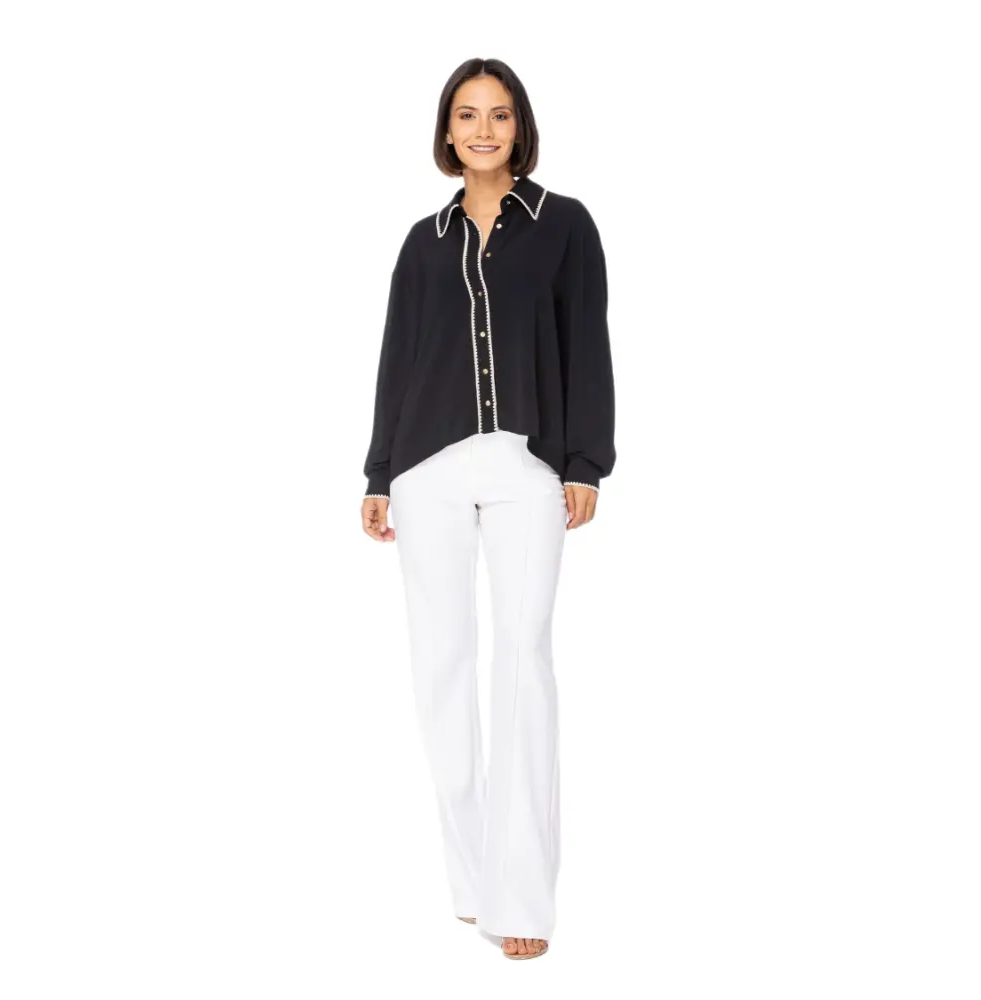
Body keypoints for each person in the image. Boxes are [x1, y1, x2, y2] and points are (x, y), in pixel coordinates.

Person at [359, 57, 616, 961]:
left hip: (527, 464)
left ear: (520, 127)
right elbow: (397, 356)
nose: (482, 130)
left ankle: (523, 897)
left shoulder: (565, 225)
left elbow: (587, 342)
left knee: (524, 663)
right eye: (466, 115)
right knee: (441, 668)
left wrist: (586, 463)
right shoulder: (422, 240)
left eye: (498, 115)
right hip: (426, 468)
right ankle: (472, 881)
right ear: (446, 129)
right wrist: (379, 473)